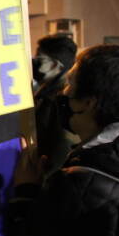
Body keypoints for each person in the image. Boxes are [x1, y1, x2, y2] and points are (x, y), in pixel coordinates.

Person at [4, 44, 119, 236]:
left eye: (71, 84)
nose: (64, 92)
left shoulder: (78, 181)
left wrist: (26, 195)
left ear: (90, 102)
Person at [32, 34, 79, 176]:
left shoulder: (63, 99)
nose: (33, 63)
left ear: (54, 65)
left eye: (39, 59)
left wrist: (47, 182)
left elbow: (63, 146)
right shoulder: (46, 92)